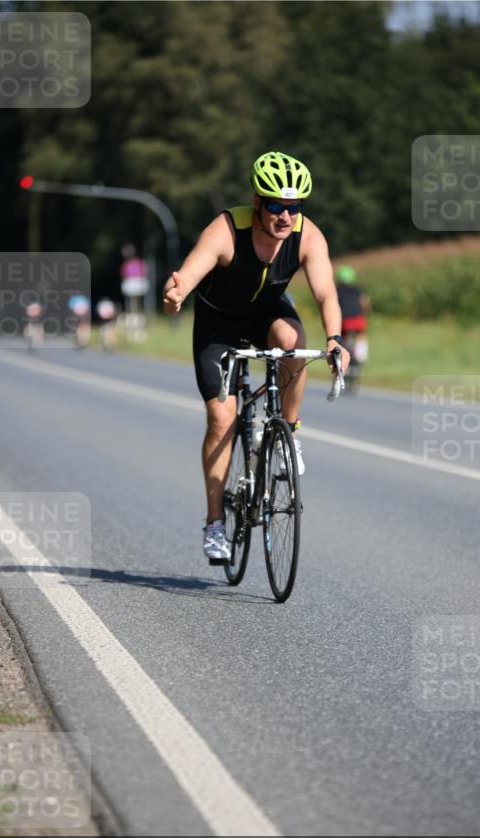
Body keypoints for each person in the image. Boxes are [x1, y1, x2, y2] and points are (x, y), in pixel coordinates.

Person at [162, 150, 349, 563]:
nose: (286, 217)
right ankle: (214, 523)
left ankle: (288, 433)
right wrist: (177, 293)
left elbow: (325, 292)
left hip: (266, 311)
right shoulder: (227, 230)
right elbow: (191, 272)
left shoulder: (307, 235)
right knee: (222, 418)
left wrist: (335, 338)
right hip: (219, 322)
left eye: (294, 207)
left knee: (293, 341)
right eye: (277, 206)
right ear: (258, 202)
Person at [335, 265, 370, 370]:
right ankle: (361, 356)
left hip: (344, 320)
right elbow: (364, 302)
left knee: (343, 337)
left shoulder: (337, 291)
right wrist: (365, 314)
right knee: (361, 335)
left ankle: (344, 354)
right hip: (358, 319)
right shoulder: (357, 290)